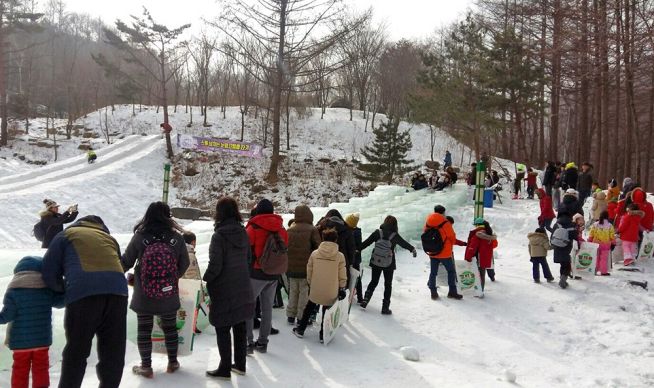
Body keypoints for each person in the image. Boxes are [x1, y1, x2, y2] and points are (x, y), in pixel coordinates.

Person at [42, 215, 128, 388]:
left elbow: (49, 271)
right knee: (113, 351)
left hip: (83, 294)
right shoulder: (109, 238)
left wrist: (63, 290)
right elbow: (118, 264)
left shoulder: (67, 235)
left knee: (77, 350)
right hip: (118, 293)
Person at [121, 202, 190, 378]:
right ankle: (173, 362)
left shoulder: (140, 236)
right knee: (170, 327)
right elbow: (185, 264)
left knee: (144, 329)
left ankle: (146, 367)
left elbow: (126, 262)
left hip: (144, 292)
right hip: (168, 291)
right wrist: (171, 278)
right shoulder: (177, 238)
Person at [204, 197, 255, 379]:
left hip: (224, 289)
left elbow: (215, 266)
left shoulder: (219, 236)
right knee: (240, 325)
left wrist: (205, 279)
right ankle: (240, 365)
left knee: (222, 327)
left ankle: (225, 368)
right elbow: (249, 260)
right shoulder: (243, 233)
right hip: (242, 286)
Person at [0, 256, 64, 388]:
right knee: (41, 369)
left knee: (20, 370)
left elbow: (7, 316)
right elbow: (59, 302)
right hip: (41, 341)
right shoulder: (46, 289)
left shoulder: (13, 291)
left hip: (20, 343)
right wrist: (69, 287)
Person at [245, 199, 288, 354]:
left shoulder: (253, 227)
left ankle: (248, 342)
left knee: (248, 308)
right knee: (267, 308)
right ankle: (263, 342)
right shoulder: (281, 228)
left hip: (256, 274)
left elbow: (245, 250)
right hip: (274, 274)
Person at [292, 228, 347, 342]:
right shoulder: (340, 256)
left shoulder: (315, 253)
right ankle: (323, 334)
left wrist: (311, 283)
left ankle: (301, 330)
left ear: (323, 238)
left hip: (316, 288)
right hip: (331, 290)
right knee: (326, 311)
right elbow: (342, 274)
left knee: (309, 308)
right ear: (336, 240)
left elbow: (309, 270)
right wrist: (342, 287)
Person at [359, 215, 416, 315]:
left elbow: (366, 243)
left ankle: (365, 300)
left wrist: (356, 249)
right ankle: (385, 308)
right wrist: (412, 249)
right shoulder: (394, 235)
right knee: (388, 284)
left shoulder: (377, 233)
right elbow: (404, 243)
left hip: (376, 261)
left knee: (373, 281)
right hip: (389, 263)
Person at [286, 205, 321, 326]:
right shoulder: (312, 229)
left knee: (293, 291)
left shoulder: (290, 229)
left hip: (291, 267)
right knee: (304, 294)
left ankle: (290, 315)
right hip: (306, 268)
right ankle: (301, 318)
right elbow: (318, 248)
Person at [425, 205, 463, 300]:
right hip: (444, 253)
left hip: (432, 252)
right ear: (443, 212)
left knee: (433, 273)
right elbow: (452, 238)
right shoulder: (445, 223)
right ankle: (452, 292)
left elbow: (425, 233)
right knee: (451, 271)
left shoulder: (428, 221)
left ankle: (433, 293)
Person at [464, 219, 498, 293]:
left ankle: (476, 291)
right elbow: (495, 245)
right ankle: (480, 291)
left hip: (476, 258)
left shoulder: (477, 234)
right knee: (482, 275)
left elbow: (472, 247)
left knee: (475, 274)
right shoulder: (490, 233)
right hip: (485, 258)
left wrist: (468, 258)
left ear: (477, 225)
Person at [552, 214, 578, 289]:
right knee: (566, 264)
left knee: (562, 263)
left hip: (557, 246)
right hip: (566, 246)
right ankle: (563, 279)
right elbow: (575, 236)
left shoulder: (556, 224)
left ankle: (562, 278)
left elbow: (552, 235)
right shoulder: (572, 225)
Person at [588, 210, 615, 276]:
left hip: (596, 244)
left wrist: (589, 240)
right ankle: (603, 271)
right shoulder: (610, 225)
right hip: (606, 244)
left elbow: (591, 234)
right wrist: (613, 243)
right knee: (604, 259)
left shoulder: (595, 224)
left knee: (596, 257)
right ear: (607, 217)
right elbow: (612, 236)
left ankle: (594, 270)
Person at [345, 212, 364, 304]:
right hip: (356, 258)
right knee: (357, 277)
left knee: (352, 277)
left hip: (352, 258)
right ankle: (360, 297)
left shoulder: (352, 233)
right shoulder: (357, 231)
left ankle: (350, 296)